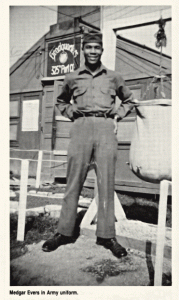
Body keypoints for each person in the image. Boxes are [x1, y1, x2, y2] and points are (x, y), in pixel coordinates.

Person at [42, 31, 134, 258]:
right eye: (89, 47)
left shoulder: (114, 77)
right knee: (73, 181)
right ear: (83, 50)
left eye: (97, 47)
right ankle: (64, 232)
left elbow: (129, 100)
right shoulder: (72, 77)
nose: (93, 51)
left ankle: (107, 235)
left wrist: (117, 117)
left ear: (102, 50)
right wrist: (73, 112)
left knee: (106, 182)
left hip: (105, 127)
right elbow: (61, 101)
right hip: (81, 126)